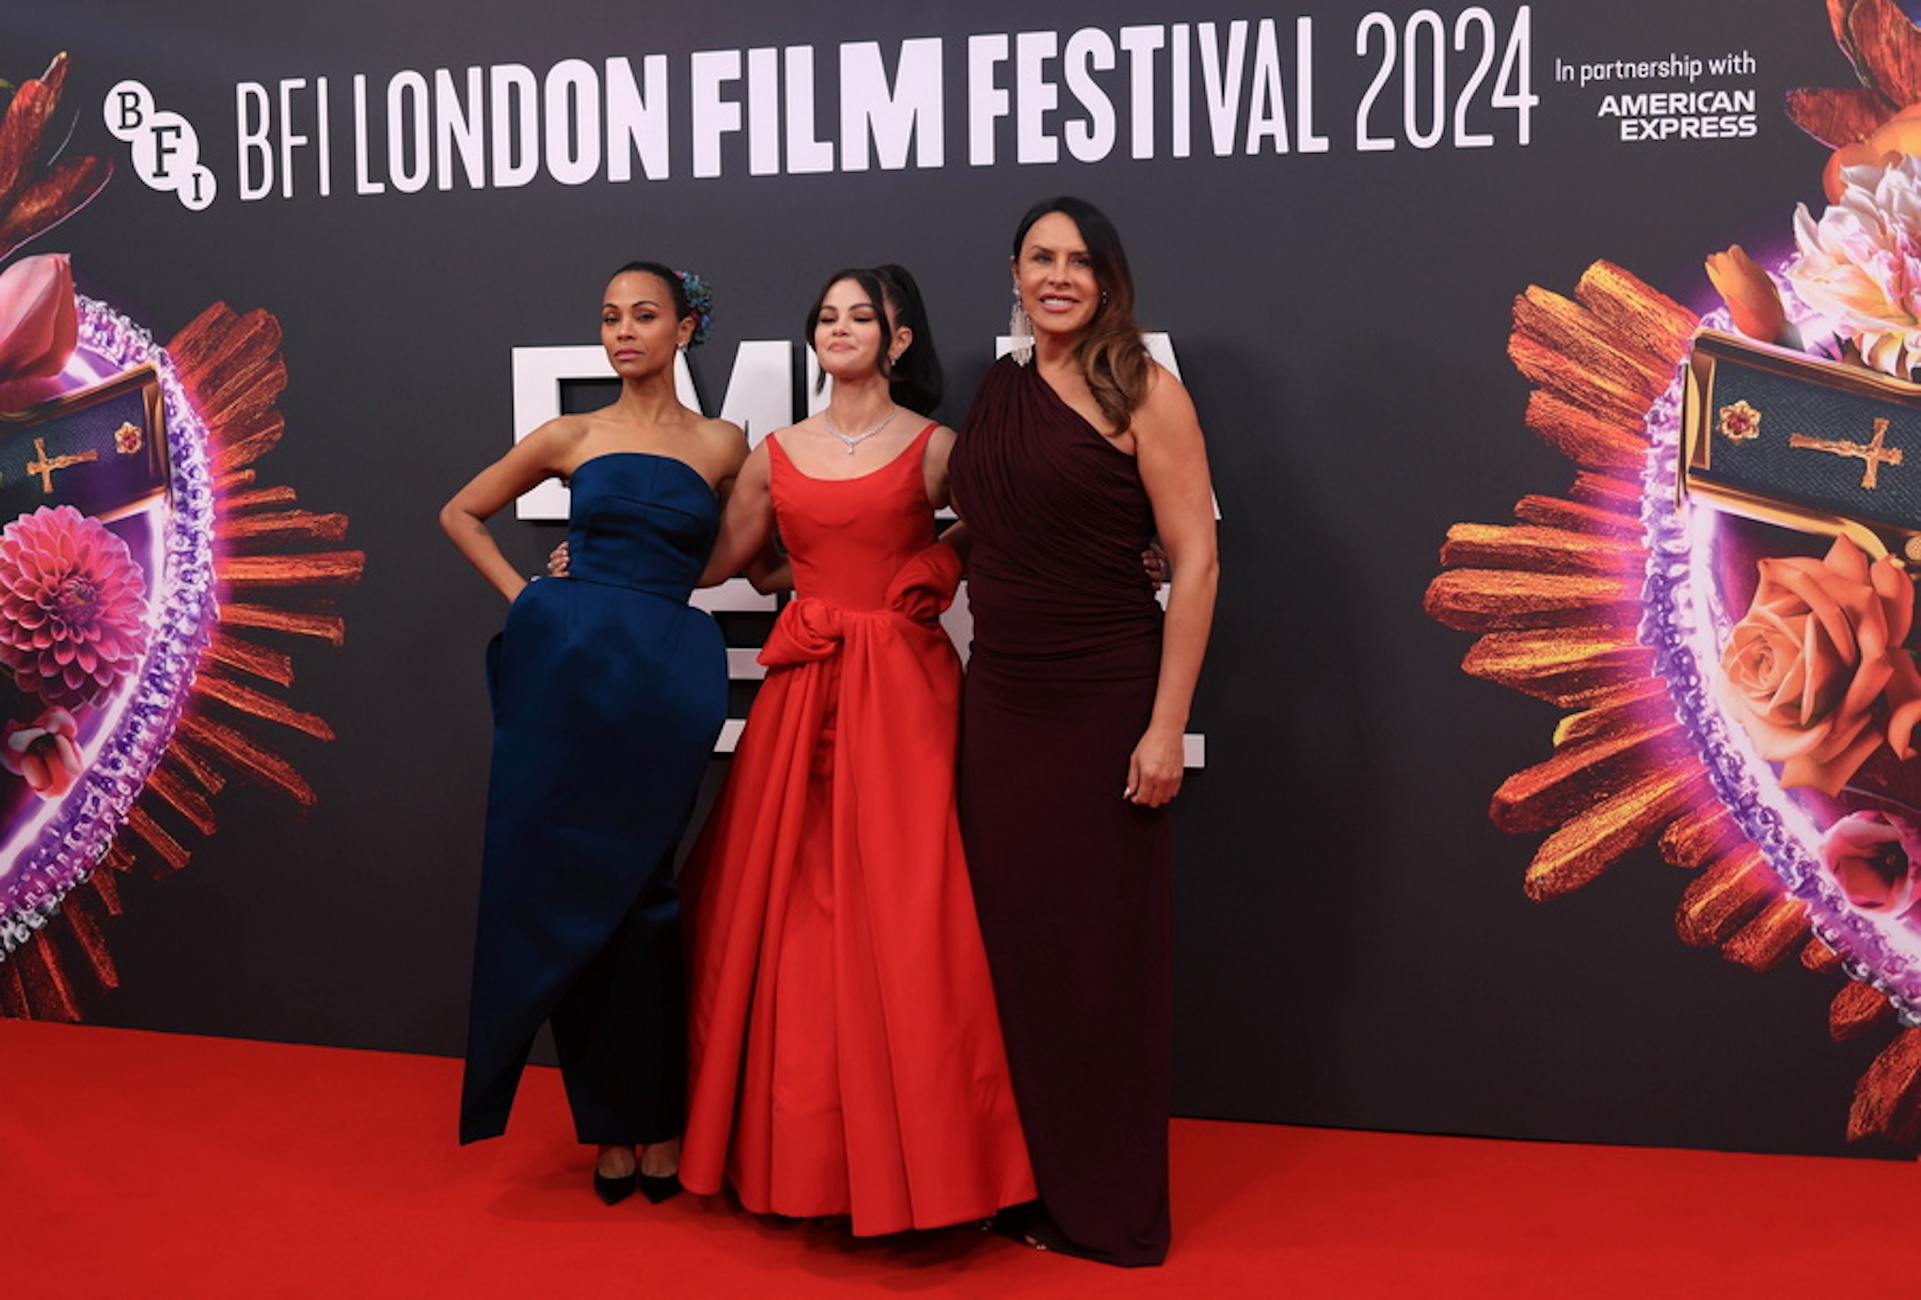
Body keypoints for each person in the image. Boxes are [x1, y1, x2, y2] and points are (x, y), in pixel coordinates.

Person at [675, 264, 1036, 1234]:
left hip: (906, 698)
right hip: (802, 694)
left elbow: (1010, 533)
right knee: (792, 909)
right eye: (825, 316)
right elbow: (718, 560)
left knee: (904, 911)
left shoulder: (936, 450)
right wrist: (604, 549)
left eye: (859, 316)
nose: (838, 328)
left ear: (900, 337)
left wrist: (944, 556)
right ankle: (802, 1155)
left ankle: (929, 1164)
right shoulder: (775, 453)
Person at [947, 197, 1219, 1266]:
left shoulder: (1148, 391)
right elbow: (990, 525)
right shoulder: (1000, 388)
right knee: (1010, 953)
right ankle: (1020, 1182)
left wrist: (1165, 726)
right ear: (1012, 271)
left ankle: (1104, 1204)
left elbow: (1194, 560)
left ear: (1108, 281)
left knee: (1099, 957)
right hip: (999, 701)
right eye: (1039, 258)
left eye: (1079, 261)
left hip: (1104, 696)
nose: (1058, 276)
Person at [439, 261, 743, 1205]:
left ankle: (660, 1124)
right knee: (572, 889)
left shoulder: (728, 444)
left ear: (684, 328)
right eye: (610, 317)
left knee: (646, 897)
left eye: (643, 316)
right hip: (570, 677)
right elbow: (460, 513)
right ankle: (613, 1133)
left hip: (663, 682)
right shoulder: (572, 433)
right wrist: (532, 599)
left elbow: (751, 556)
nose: (623, 332)